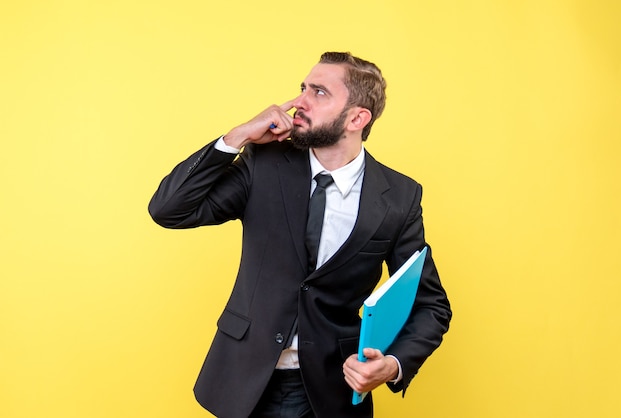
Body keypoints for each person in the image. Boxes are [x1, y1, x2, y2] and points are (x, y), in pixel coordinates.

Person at [148, 51, 451, 418]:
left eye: (319, 93)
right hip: (244, 382)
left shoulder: (399, 197)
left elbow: (430, 304)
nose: (298, 102)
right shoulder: (264, 163)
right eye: (303, 88)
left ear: (357, 117)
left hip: (329, 392)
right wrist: (237, 136)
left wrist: (392, 365)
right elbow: (169, 209)